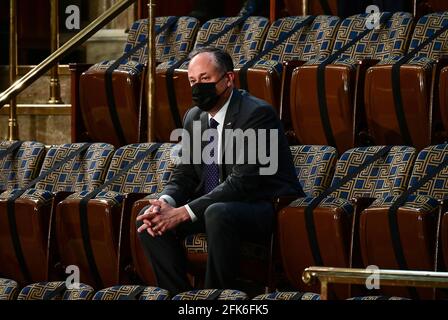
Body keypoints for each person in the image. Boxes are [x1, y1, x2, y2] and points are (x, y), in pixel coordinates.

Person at [136, 46, 304, 295]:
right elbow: (185, 174)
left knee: (217, 212)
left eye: (205, 79)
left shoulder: (257, 114)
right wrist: (164, 202)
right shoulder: (194, 117)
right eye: (192, 81)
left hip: (263, 206)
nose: (197, 87)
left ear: (228, 79)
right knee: (149, 220)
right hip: (216, 205)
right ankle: (180, 297)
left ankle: (216, 296)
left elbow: (242, 183)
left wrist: (183, 212)